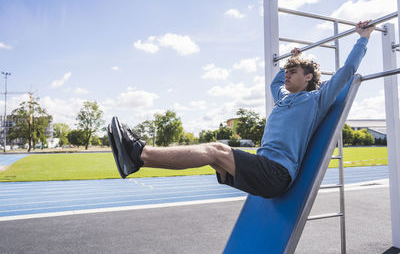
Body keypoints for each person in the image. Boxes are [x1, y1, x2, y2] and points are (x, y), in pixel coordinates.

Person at [108, 20, 375, 199]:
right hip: (263, 166)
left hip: (277, 173)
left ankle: (139, 151)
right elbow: (275, 81)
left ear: (308, 78)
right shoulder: (281, 98)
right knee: (213, 156)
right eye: (287, 71)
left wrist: (363, 37)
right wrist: (292, 58)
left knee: (216, 149)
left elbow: (347, 71)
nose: (287, 75)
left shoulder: (316, 100)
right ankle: (139, 161)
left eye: (294, 72)